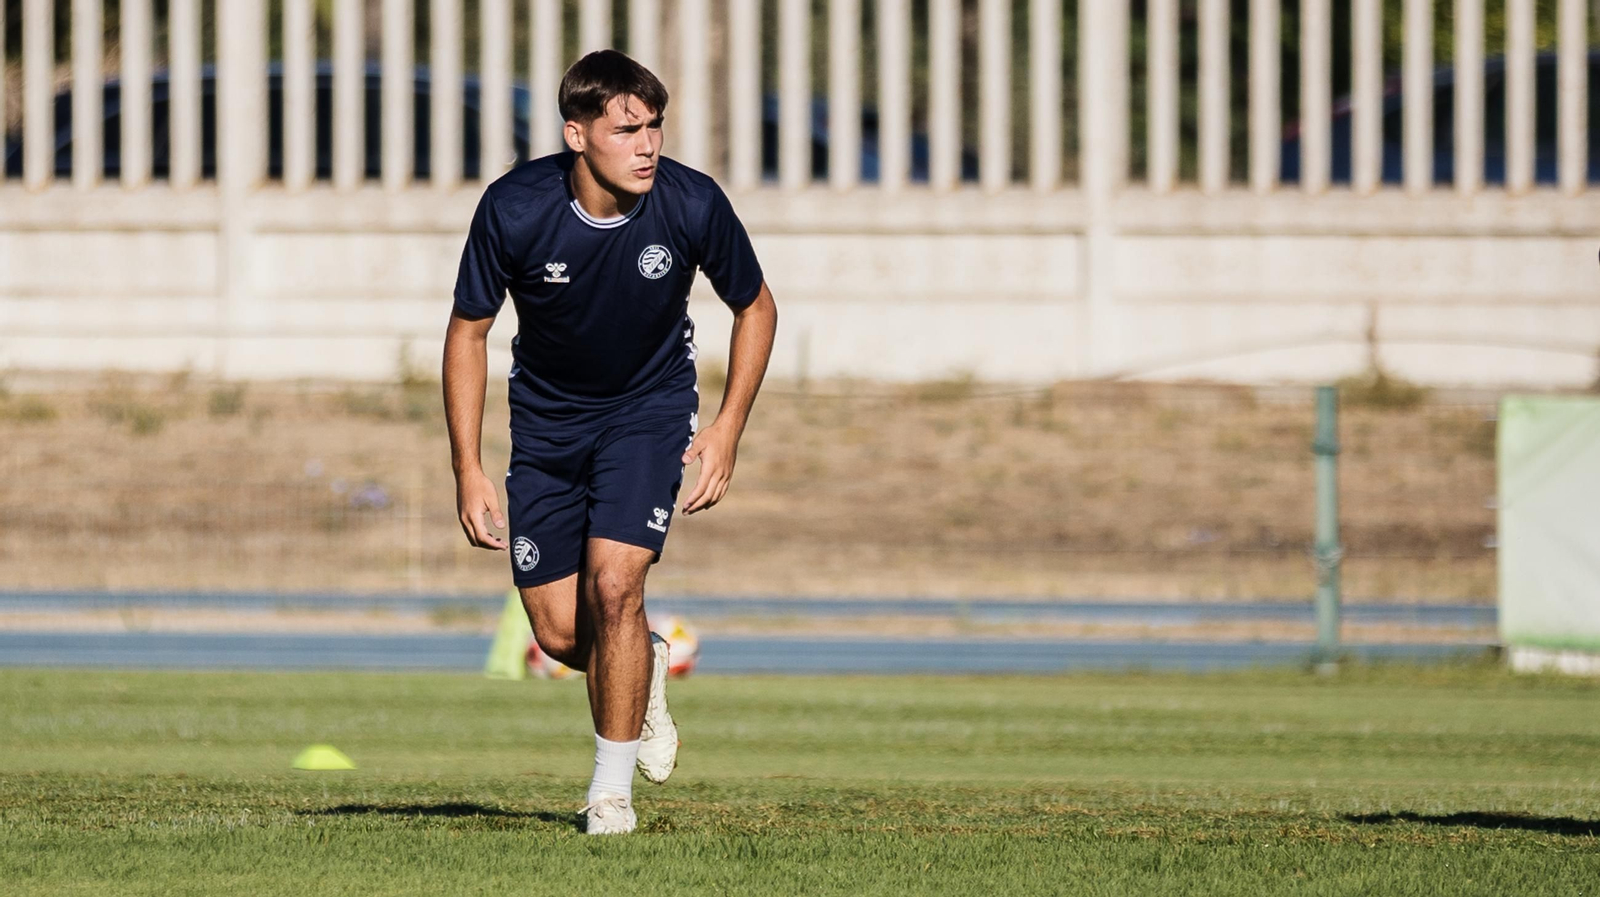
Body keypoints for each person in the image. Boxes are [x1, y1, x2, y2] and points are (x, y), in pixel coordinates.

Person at [443, 50, 778, 835]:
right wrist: (466, 466)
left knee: (617, 586)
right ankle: (645, 660)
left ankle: (610, 794)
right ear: (577, 134)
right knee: (564, 635)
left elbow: (756, 308)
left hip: (650, 413)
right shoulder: (514, 208)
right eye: (628, 128)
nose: (648, 143)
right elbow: (468, 331)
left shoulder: (691, 203)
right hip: (548, 423)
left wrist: (726, 427)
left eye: (655, 125)